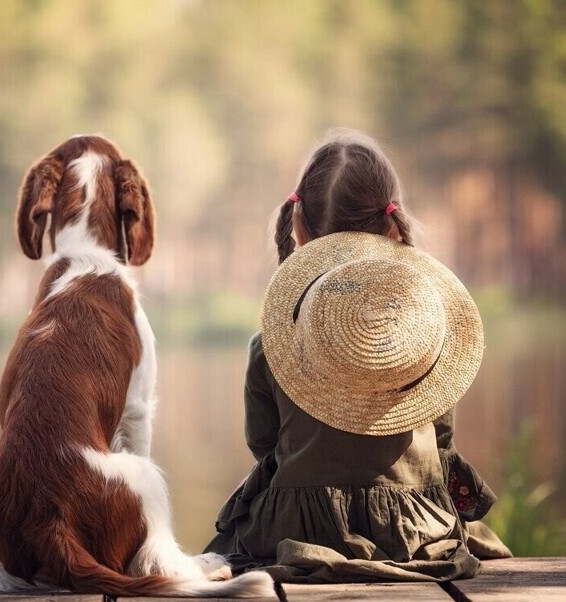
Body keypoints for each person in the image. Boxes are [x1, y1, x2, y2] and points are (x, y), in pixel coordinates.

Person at [204, 130, 512, 583]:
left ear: (300, 226)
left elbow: (264, 444)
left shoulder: (272, 344)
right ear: (392, 224)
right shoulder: (429, 334)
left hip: (300, 526)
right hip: (415, 530)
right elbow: (441, 440)